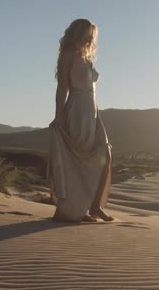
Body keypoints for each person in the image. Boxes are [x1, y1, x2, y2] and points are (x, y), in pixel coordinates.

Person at [47, 18, 114, 222]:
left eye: (92, 34)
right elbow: (62, 89)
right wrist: (59, 117)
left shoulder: (87, 58)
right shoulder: (67, 56)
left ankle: (95, 207)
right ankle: (75, 209)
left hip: (92, 110)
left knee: (105, 153)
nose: (90, 38)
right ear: (77, 33)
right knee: (77, 160)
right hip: (76, 109)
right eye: (87, 33)